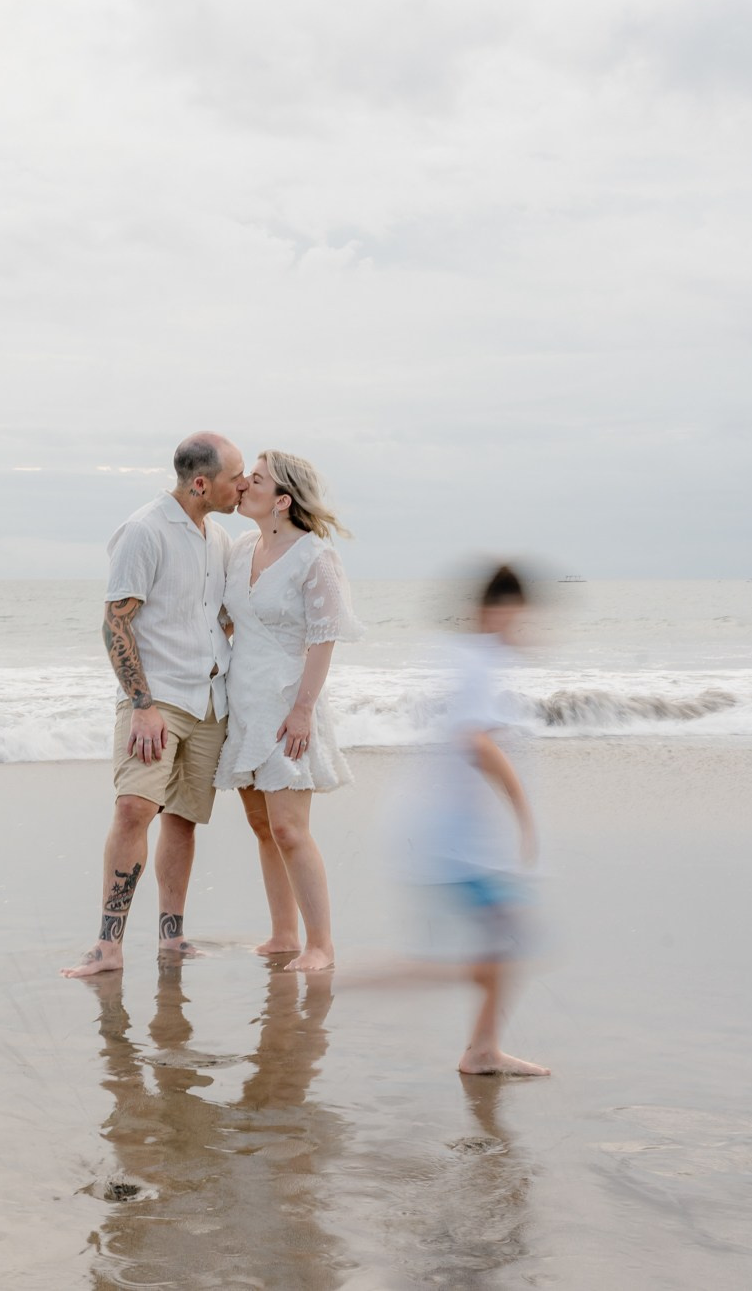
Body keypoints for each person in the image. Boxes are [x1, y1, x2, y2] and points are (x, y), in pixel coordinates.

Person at [61, 434, 247, 978]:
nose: (242, 486)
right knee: (134, 808)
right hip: (158, 699)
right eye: (235, 476)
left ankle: (173, 937)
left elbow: (212, 615)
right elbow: (115, 621)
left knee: (184, 820)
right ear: (200, 483)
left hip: (211, 699)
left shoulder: (218, 537)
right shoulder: (144, 530)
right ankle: (108, 945)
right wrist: (141, 706)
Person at [387, 564, 549, 1076]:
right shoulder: (478, 664)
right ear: (495, 611)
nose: (520, 630)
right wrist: (523, 810)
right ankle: (357, 985)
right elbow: (475, 741)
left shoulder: (464, 656)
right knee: (502, 942)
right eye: (517, 619)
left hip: (442, 840)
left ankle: (482, 1048)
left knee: (504, 940)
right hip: (451, 845)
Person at [216, 451, 363, 972]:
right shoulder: (239, 548)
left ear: (282, 500)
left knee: (290, 829)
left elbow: (324, 639)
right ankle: (283, 933)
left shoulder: (314, 557)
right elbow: (230, 621)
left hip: (287, 702)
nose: (242, 485)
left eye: (254, 480)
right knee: (261, 825)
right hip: (244, 701)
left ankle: (320, 944)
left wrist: (303, 710)